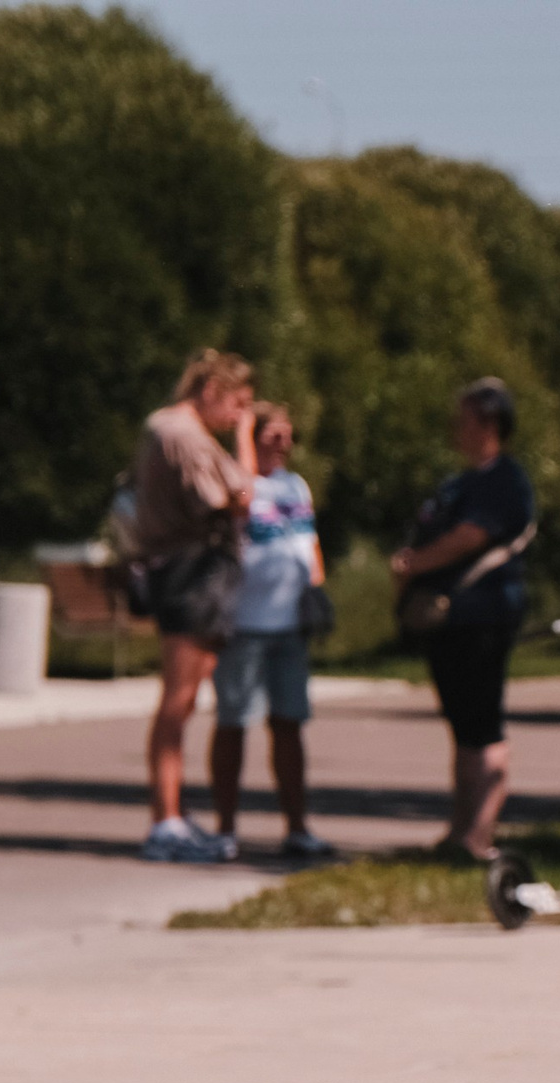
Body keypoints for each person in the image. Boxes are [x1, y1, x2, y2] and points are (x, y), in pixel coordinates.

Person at [388, 379, 535, 861]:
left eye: (464, 417)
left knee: (483, 724)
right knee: (462, 726)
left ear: (490, 424)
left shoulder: (503, 478)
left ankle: (479, 836)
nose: (456, 427)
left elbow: (470, 537)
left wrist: (414, 564)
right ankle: (459, 832)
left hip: (484, 614)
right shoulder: (460, 481)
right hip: (452, 620)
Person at [132, 349, 256, 863]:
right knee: (177, 703)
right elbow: (237, 494)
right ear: (211, 391)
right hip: (190, 573)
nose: (236, 417)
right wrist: (244, 442)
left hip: (199, 572)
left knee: (186, 700)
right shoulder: (180, 432)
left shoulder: (177, 431)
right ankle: (165, 819)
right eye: (237, 404)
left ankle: (174, 815)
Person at [209, 402, 332, 861]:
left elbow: (308, 539)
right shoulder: (240, 485)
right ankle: (225, 829)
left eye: (287, 436)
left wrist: (315, 588)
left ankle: (297, 827)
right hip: (244, 624)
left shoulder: (294, 486)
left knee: (289, 724)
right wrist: (241, 430)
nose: (282, 444)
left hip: (288, 625)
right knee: (234, 723)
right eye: (270, 435)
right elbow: (240, 503)